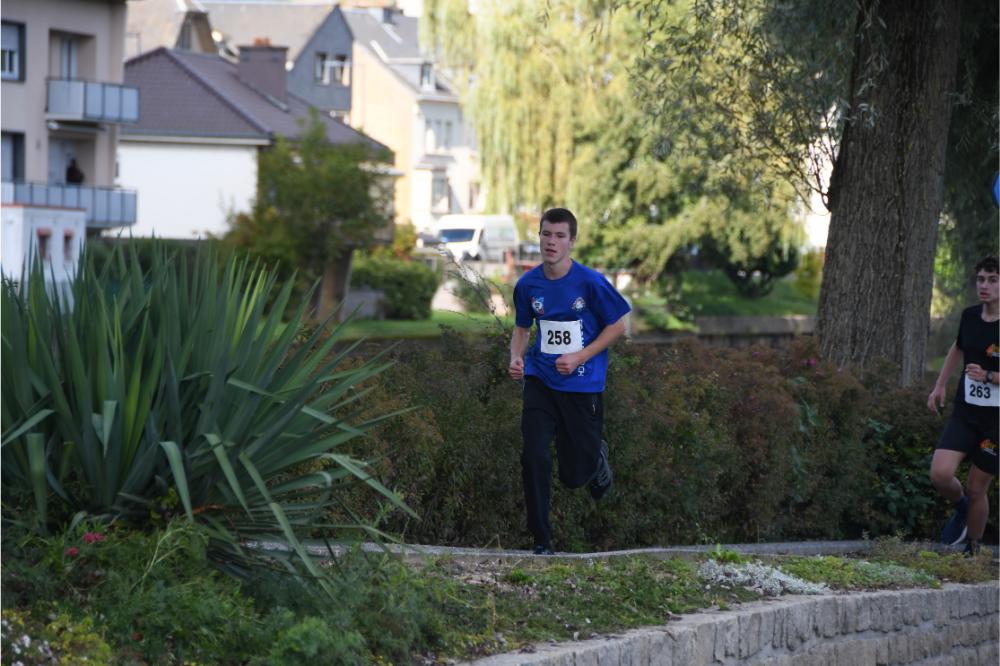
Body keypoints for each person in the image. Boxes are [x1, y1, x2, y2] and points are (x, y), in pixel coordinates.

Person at [508, 207, 631, 555]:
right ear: (539, 237)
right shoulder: (528, 285)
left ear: (572, 241)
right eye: (546, 234)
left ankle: (596, 457)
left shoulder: (590, 282)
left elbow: (618, 326)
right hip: (540, 380)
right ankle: (541, 540)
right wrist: (516, 357)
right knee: (534, 455)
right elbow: (522, 329)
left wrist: (580, 356)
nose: (552, 242)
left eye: (560, 236)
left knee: (574, 475)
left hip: (581, 384)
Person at [927, 256, 998, 556]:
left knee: (977, 487)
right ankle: (962, 508)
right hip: (966, 413)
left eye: (992, 280)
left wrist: (990, 376)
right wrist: (940, 385)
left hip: (995, 423)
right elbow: (958, 347)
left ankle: (974, 549)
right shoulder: (969, 316)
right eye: (981, 279)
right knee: (940, 474)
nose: (984, 285)